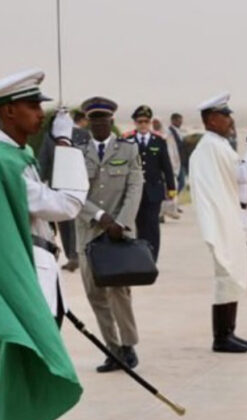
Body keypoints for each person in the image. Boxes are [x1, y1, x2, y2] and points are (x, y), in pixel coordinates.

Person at [0, 69, 83, 420]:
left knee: (21, 389)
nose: (40, 114)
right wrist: (65, 144)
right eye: (32, 106)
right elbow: (66, 204)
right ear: (8, 111)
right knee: (15, 389)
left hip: (36, 282)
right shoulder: (6, 162)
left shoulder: (18, 156)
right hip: (21, 292)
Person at [189, 93, 247, 353]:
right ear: (211, 119)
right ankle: (221, 337)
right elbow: (242, 174)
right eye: (225, 115)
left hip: (228, 218)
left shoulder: (218, 144)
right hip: (221, 221)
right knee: (226, 276)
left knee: (232, 276)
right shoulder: (212, 146)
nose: (230, 120)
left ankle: (229, 331)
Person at [76, 96, 144, 373]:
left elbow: (135, 187)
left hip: (119, 234)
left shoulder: (128, 149)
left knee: (119, 292)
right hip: (89, 233)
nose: (99, 124)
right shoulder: (78, 153)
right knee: (95, 294)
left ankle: (128, 346)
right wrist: (100, 217)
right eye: (94, 119)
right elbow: (73, 192)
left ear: (111, 121)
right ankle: (112, 350)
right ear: (88, 122)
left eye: (103, 119)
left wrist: (121, 222)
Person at [37, 108, 91, 273]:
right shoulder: (50, 137)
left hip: (77, 186)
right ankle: (71, 256)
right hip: (58, 186)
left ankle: (79, 255)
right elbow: (44, 160)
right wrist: (39, 180)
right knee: (64, 224)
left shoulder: (84, 135)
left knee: (76, 223)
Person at [126, 105, 176, 261]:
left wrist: (171, 188)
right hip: (134, 191)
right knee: (138, 224)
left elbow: (166, 166)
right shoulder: (128, 140)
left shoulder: (159, 141)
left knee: (152, 224)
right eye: (140, 121)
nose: (143, 125)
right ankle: (141, 257)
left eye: (146, 122)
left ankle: (153, 257)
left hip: (154, 190)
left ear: (150, 123)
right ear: (135, 123)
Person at [154, 117, 181, 221]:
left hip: (170, 168)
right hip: (158, 169)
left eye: (157, 123)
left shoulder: (167, 136)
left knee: (171, 191)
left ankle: (170, 211)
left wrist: (175, 166)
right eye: (154, 123)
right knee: (160, 192)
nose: (155, 125)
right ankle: (160, 214)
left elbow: (173, 152)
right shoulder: (152, 136)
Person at [169, 113, 188, 195]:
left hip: (181, 162)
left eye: (181, 121)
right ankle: (174, 198)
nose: (180, 122)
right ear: (173, 120)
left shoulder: (179, 132)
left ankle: (177, 198)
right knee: (176, 184)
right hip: (175, 162)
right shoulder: (170, 132)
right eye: (178, 121)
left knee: (182, 184)